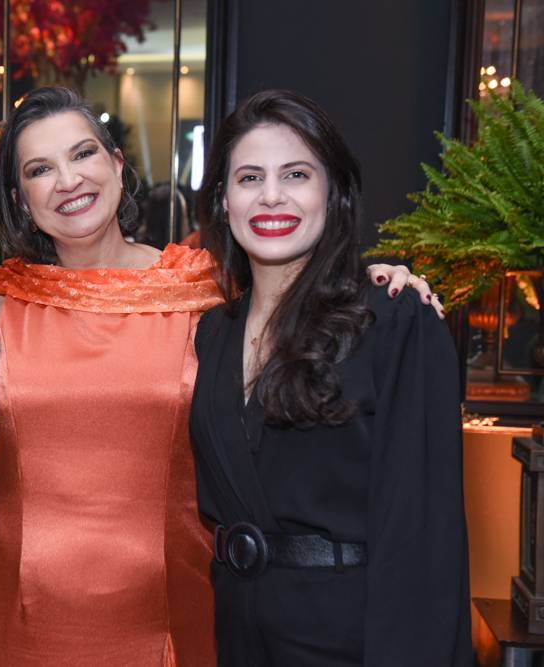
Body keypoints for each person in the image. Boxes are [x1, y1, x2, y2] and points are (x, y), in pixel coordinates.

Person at [0, 87, 433, 667]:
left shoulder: (205, 289)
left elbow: (295, 297)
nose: (67, 180)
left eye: (82, 154)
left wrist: (368, 278)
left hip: (169, 611)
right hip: (18, 618)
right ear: (21, 198)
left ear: (117, 166)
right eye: (39, 169)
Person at [190, 89, 471, 666]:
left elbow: (423, 535)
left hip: (353, 641)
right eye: (249, 178)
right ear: (223, 200)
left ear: (334, 193)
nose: (271, 195)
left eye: (296, 174)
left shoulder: (393, 319)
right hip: (238, 638)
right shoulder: (212, 331)